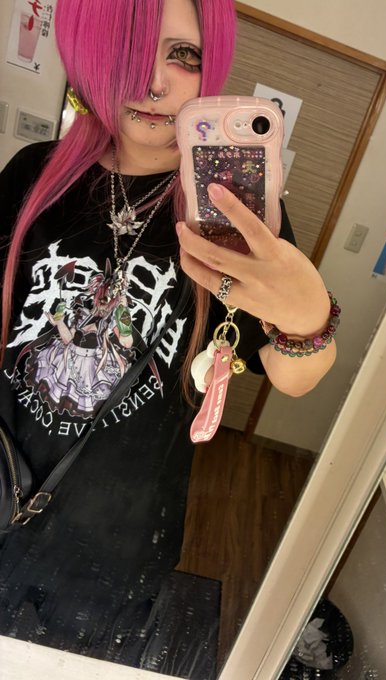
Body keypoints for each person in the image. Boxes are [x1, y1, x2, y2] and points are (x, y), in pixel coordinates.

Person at [0, 0, 337, 671]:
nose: (155, 82)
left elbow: (293, 376)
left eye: (185, 55)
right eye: (129, 50)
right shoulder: (37, 173)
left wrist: (307, 319)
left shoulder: (232, 213)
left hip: (118, 541)